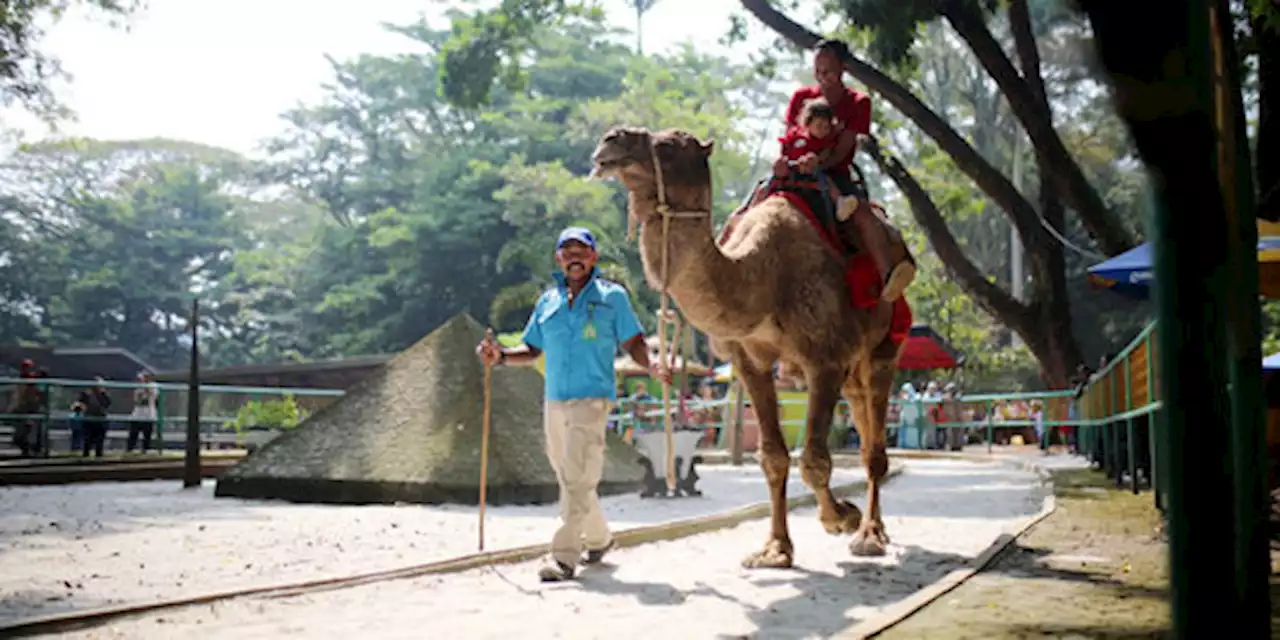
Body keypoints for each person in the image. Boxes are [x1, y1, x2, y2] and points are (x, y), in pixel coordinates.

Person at [476, 226, 670, 583]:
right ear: (558, 259)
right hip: (554, 401)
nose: (574, 256)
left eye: (582, 250)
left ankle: (565, 557)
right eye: (567, 251)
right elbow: (532, 350)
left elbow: (634, 343)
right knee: (569, 478)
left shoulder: (613, 298)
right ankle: (599, 539)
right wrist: (499, 356)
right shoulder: (547, 301)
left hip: (592, 399)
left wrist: (654, 364)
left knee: (579, 475)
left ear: (594, 257)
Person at [723, 38, 916, 302]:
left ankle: (887, 276)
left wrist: (818, 164)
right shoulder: (802, 97)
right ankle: (723, 259)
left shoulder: (858, 103)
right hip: (792, 173)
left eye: (829, 70)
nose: (823, 77)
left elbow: (844, 147)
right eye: (818, 70)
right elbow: (790, 137)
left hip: (833, 173)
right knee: (751, 205)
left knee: (861, 214)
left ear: (844, 68)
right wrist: (785, 163)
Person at [78, 377, 111, 457]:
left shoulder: (103, 394)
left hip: (100, 419)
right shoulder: (86, 394)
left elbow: (107, 404)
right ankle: (86, 454)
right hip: (89, 419)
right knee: (87, 439)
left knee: (99, 440)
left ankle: (98, 455)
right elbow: (80, 403)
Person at [128, 370, 159, 453]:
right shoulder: (138, 388)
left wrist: (145, 387)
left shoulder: (153, 385)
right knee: (133, 432)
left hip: (149, 415)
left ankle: (145, 449)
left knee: (147, 434)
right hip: (137, 414)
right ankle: (130, 449)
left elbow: (153, 395)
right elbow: (136, 400)